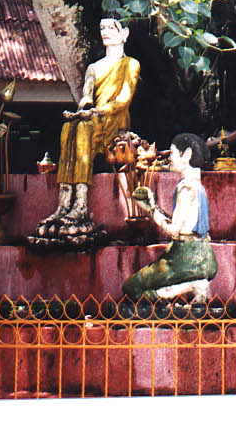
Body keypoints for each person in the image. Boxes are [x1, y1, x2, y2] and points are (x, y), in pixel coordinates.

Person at [33, 17, 140, 240]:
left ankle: (81, 204)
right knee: (69, 129)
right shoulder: (94, 67)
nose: (106, 31)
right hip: (94, 117)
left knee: (83, 129)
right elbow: (86, 98)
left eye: (112, 27)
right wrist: (81, 110)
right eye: (102, 27)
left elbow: (124, 99)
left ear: (124, 33)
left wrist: (95, 113)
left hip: (114, 119)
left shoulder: (130, 64)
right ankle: (64, 203)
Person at [122, 132, 219, 302]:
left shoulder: (186, 188)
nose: (170, 158)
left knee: (132, 287)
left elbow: (174, 231)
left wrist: (151, 210)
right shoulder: (197, 187)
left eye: (173, 153)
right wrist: (152, 207)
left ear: (187, 154)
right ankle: (185, 288)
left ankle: (187, 287)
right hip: (203, 253)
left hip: (186, 257)